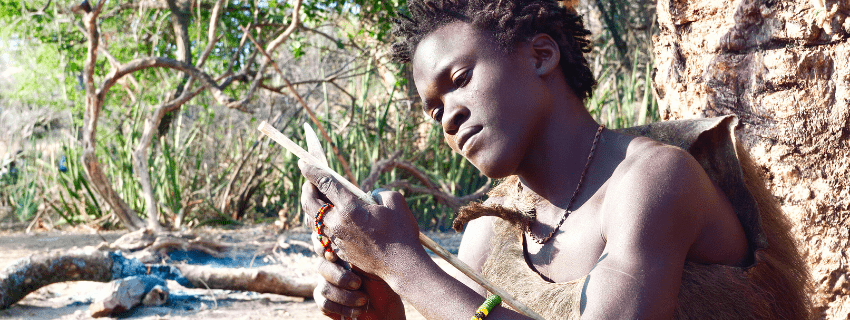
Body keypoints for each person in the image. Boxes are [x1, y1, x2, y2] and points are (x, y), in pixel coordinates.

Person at [299, 0, 811, 319]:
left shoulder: (653, 181)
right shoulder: (489, 235)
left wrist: (403, 264)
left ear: (541, 55)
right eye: (433, 111)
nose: (448, 118)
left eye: (458, 81)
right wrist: (383, 310)